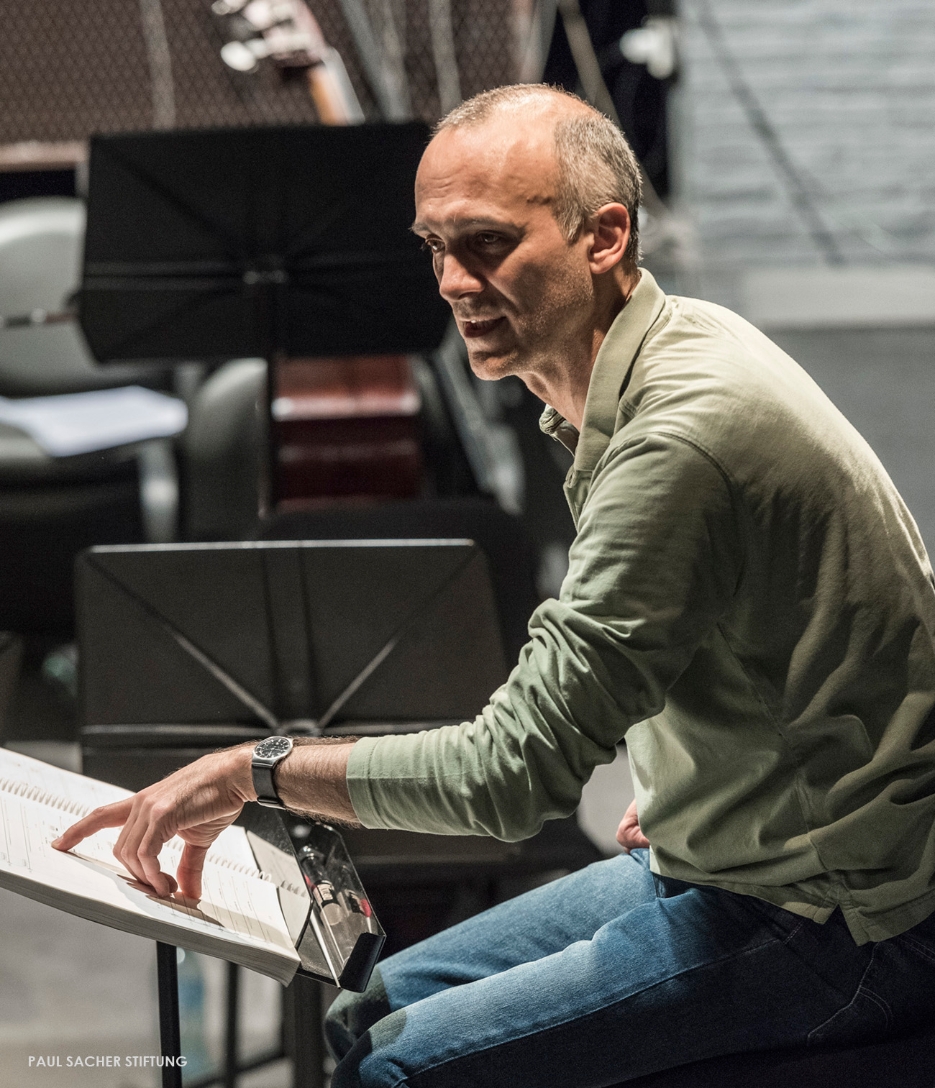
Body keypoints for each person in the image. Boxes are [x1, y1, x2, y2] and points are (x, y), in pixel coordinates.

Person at [55, 84, 935, 1085]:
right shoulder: (658, 353)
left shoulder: (677, 433)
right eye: (434, 246)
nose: (453, 282)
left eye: (485, 243)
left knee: (393, 1069)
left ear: (603, 236)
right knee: (368, 1007)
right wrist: (708, 783)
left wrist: (253, 768)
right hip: (741, 849)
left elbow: (509, 777)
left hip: (836, 913)